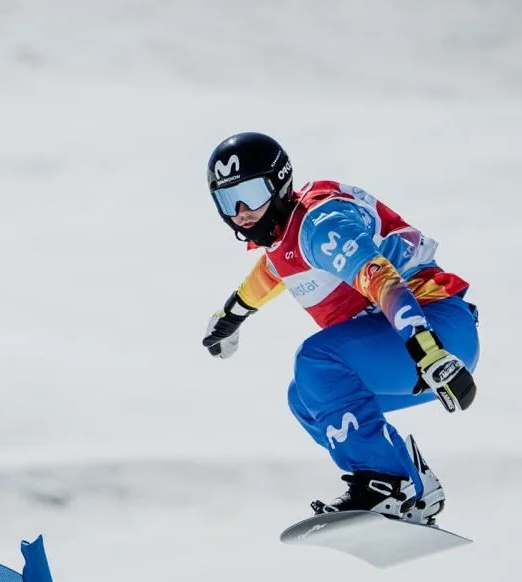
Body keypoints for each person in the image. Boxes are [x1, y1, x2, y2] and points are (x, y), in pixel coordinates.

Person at [201, 132, 478, 525]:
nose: (243, 212)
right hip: (411, 343)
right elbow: (271, 273)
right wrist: (233, 316)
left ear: (279, 183)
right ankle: (411, 486)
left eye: (251, 194)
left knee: (316, 360)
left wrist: (428, 349)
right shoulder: (287, 236)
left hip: (436, 330)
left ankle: (390, 484)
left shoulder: (319, 224)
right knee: (306, 398)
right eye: (229, 201)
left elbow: (380, 279)